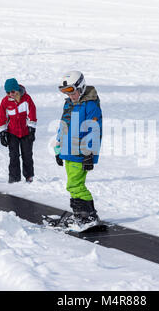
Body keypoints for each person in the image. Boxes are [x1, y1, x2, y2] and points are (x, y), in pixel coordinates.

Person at [53, 71, 102, 228]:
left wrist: (89, 154)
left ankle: (89, 217)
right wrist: (58, 149)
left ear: (81, 87)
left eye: (72, 92)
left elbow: (94, 130)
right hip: (68, 151)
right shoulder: (68, 104)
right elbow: (63, 127)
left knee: (75, 185)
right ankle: (80, 215)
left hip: (81, 153)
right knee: (73, 185)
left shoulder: (90, 105)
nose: (71, 96)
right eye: (66, 92)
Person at [0, 78, 37, 183]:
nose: (10, 94)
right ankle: (14, 177)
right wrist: (2, 133)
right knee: (13, 156)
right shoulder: (5, 101)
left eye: (13, 92)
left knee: (27, 155)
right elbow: (2, 117)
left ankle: (29, 176)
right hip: (12, 133)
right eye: (7, 92)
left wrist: (32, 129)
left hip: (25, 132)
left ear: (17, 90)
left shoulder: (26, 99)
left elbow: (32, 114)